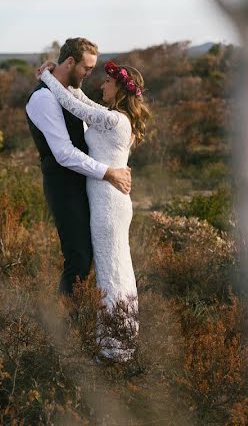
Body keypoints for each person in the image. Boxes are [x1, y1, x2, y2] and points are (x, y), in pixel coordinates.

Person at [36, 57, 150, 363]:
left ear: (121, 90)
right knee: (115, 266)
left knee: (112, 268)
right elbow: (81, 98)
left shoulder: (113, 121)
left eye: (109, 82)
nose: (102, 84)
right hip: (108, 198)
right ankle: (119, 342)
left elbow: (72, 104)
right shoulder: (114, 116)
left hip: (108, 203)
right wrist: (61, 81)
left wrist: (46, 76)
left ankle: (115, 348)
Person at [25, 38, 132, 298]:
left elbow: (83, 122)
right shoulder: (43, 98)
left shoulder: (69, 94)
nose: (89, 74)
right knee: (78, 258)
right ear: (70, 62)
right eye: (87, 68)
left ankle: (90, 323)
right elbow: (63, 153)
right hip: (64, 187)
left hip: (88, 186)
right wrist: (109, 172)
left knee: (90, 258)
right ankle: (69, 330)